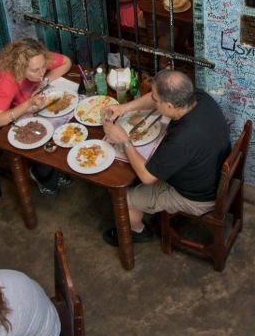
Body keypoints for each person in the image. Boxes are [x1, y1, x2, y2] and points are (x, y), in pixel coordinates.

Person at [99, 70, 231, 245]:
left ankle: (137, 232)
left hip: (198, 197)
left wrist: (124, 141)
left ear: (169, 106)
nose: (152, 100)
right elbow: (155, 100)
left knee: (123, 199)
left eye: (155, 99)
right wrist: (124, 108)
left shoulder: (183, 139)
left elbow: (147, 177)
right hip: (210, 173)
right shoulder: (198, 98)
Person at [0, 38, 72, 194]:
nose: (41, 72)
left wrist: (44, 81)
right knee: (44, 139)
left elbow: (67, 62)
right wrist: (28, 104)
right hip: (3, 126)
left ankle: (54, 170)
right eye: (35, 71)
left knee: (65, 128)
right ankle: (41, 174)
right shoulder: (7, 79)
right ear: (20, 67)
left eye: (43, 67)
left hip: (30, 110)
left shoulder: (38, 59)